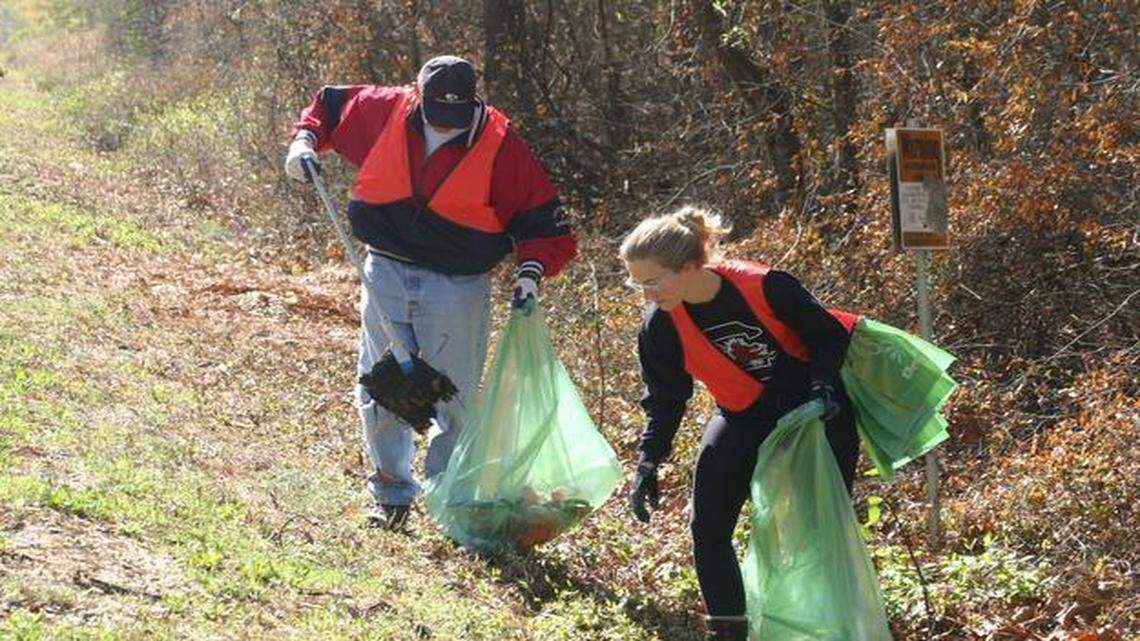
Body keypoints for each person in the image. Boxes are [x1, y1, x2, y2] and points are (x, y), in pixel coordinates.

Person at [284, 55, 576, 530]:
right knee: (384, 383)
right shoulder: (385, 109)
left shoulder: (501, 143)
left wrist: (531, 271)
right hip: (385, 268)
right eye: (437, 114)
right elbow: (329, 107)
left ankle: (449, 502)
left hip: (456, 284)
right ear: (419, 97)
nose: (445, 126)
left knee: (453, 397)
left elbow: (543, 220)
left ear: (473, 104)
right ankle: (392, 496)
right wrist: (304, 142)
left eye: (455, 118)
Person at [621, 206, 862, 641]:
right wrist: (648, 462)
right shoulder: (659, 326)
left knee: (818, 531)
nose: (647, 295)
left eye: (654, 282)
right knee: (708, 526)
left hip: (814, 414)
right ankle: (730, 633)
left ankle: (829, 629)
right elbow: (666, 398)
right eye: (638, 284)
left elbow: (828, 335)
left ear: (691, 266)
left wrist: (825, 387)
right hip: (742, 418)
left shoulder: (766, 286)